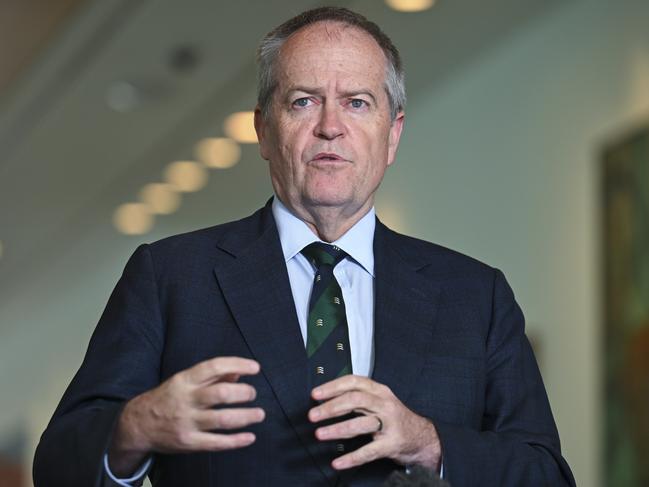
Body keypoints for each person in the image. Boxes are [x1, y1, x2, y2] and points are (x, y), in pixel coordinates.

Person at [33, 7, 576, 487]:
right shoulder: (170, 276)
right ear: (263, 131)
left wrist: (425, 441)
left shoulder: (476, 295)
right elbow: (58, 463)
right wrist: (139, 425)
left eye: (358, 103)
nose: (330, 127)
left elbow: (544, 473)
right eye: (303, 101)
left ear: (392, 135)